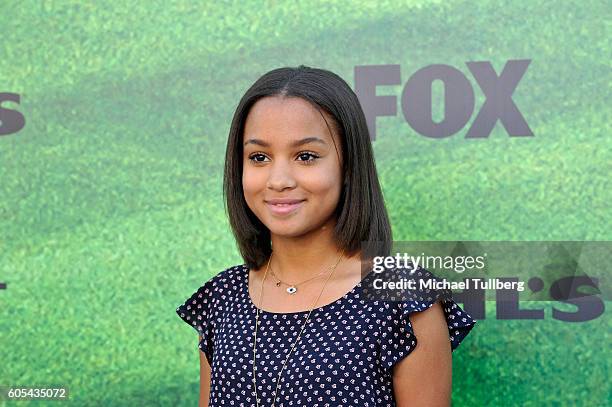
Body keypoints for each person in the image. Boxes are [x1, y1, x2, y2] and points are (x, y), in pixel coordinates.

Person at [176, 65, 476, 406]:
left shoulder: (403, 299)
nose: (279, 179)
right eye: (259, 157)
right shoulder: (223, 299)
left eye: (306, 156)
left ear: (348, 166)